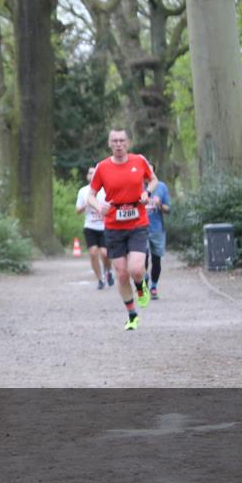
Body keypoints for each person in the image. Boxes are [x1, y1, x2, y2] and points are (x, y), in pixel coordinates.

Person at [87, 129, 159, 331]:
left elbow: (153, 180)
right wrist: (98, 206)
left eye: (121, 140)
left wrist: (147, 192)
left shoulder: (139, 161)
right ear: (109, 144)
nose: (118, 144)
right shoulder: (102, 167)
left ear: (128, 142)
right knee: (120, 274)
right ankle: (132, 314)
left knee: (135, 268)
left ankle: (141, 286)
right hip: (113, 225)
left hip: (137, 222)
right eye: (114, 141)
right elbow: (90, 195)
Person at [75, 166, 113, 289]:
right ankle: (100, 279)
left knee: (105, 253)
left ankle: (108, 271)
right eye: (90, 173)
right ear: (87, 176)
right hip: (90, 226)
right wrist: (86, 204)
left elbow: (113, 205)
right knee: (93, 253)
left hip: (104, 226)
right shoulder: (83, 191)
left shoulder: (105, 190)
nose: (92, 175)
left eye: (95, 173)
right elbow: (78, 211)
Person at [144, 177, 171, 300]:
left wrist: (159, 204)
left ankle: (153, 286)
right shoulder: (136, 185)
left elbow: (168, 209)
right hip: (140, 229)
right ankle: (144, 280)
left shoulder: (161, 187)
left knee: (156, 259)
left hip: (157, 229)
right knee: (142, 256)